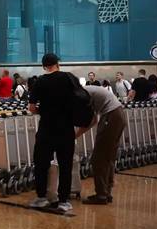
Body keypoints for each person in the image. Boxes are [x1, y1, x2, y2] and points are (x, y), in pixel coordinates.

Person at [28, 53, 77, 212]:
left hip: (46, 128)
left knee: (41, 163)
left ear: (43, 66)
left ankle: (41, 197)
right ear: (58, 64)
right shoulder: (70, 78)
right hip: (66, 128)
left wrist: (44, 111)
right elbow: (80, 100)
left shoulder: (39, 81)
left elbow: (32, 107)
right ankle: (64, 201)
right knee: (65, 164)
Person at [76, 85, 128, 204]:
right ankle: (106, 193)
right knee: (108, 156)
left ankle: (101, 195)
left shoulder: (81, 94)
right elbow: (92, 120)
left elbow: (91, 121)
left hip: (111, 117)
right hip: (117, 115)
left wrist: (73, 136)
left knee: (98, 158)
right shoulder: (85, 91)